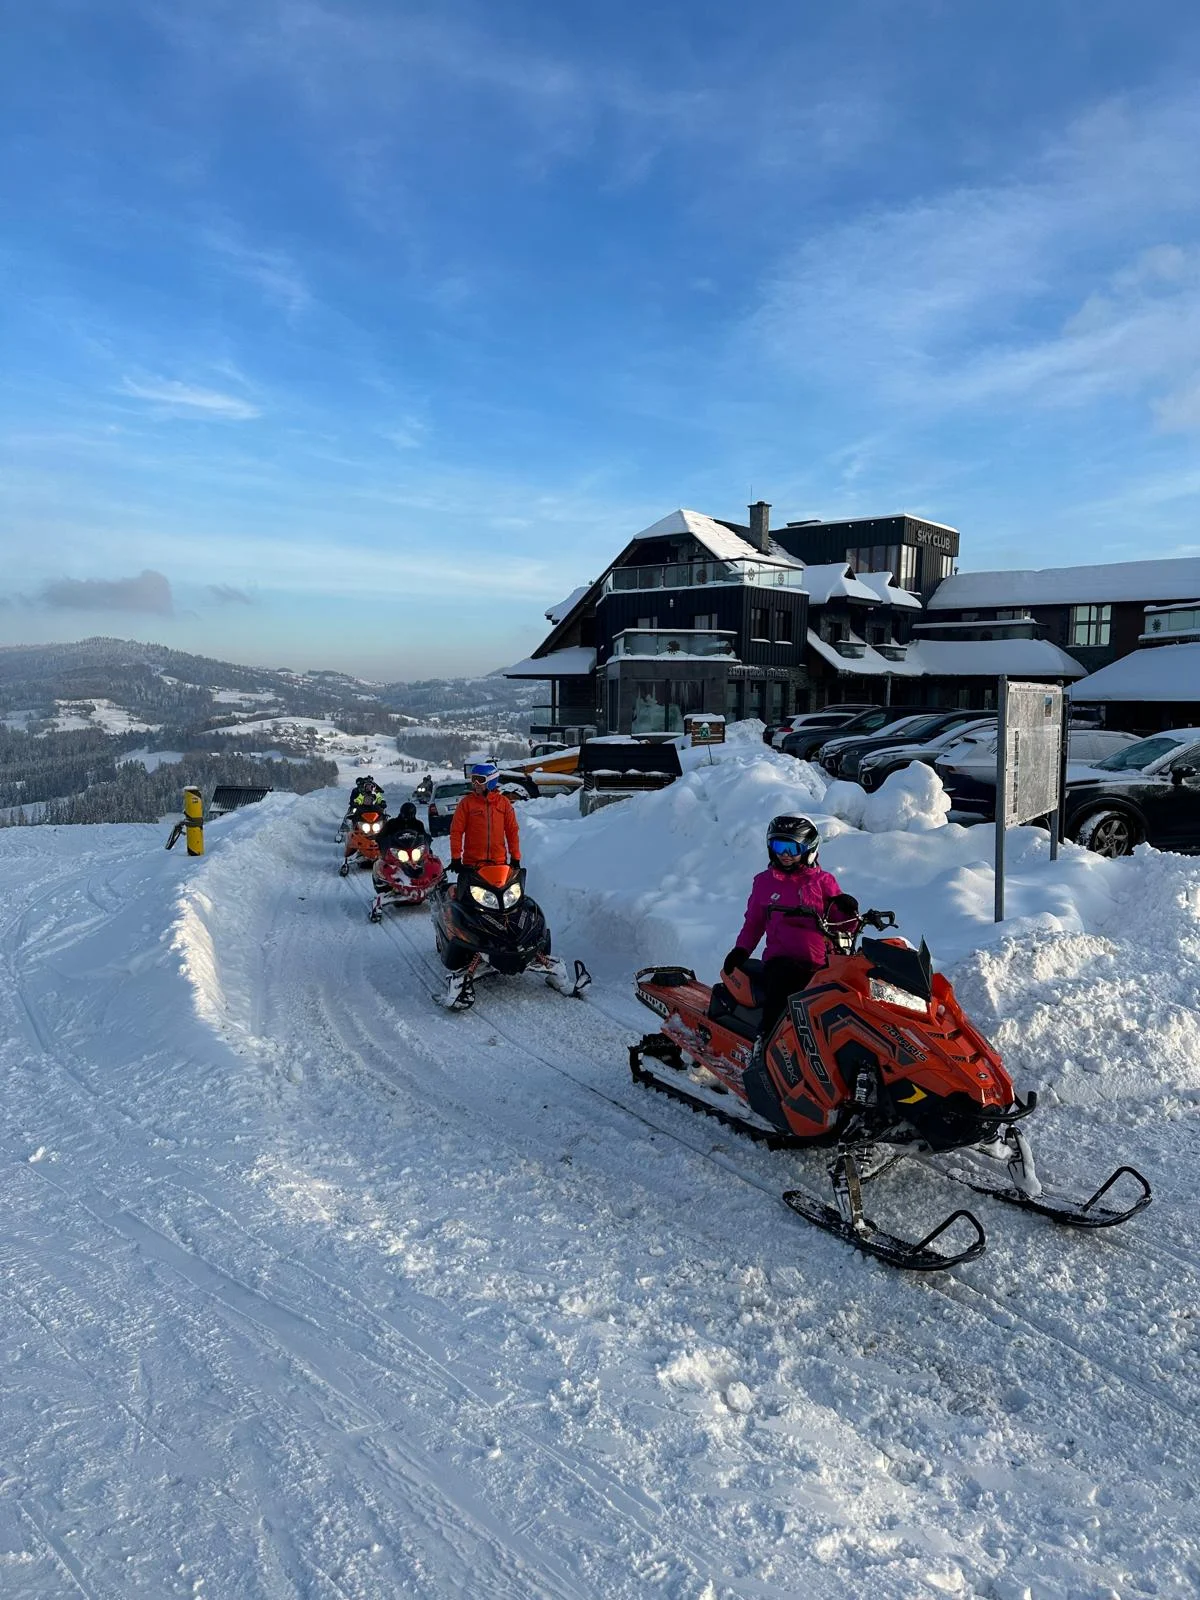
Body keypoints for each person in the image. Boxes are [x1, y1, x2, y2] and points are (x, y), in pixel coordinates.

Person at [722, 815, 847, 1042]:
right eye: (779, 846)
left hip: (822, 962)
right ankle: (766, 1042)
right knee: (784, 982)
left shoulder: (823, 882)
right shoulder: (764, 882)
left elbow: (844, 924)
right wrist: (741, 950)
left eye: (792, 847)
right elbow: (754, 923)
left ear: (808, 849)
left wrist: (846, 909)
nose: (785, 854)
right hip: (782, 960)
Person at [449, 762, 519, 874]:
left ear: (491, 781)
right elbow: (456, 831)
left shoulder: (503, 803)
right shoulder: (466, 803)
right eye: (473, 779)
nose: (475, 783)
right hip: (472, 865)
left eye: (480, 780)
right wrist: (456, 857)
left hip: (498, 863)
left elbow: (512, 831)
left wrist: (515, 857)